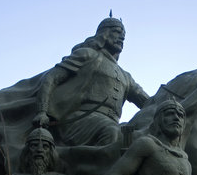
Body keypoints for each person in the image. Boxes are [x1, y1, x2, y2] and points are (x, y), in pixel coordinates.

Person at [32, 16, 149, 146]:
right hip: (79, 120)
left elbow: (148, 102)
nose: (122, 38)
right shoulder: (87, 55)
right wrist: (41, 111)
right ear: (104, 33)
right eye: (117, 32)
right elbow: (51, 78)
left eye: (124, 35)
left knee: (137, 137)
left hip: (111, 123)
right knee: (113, 132)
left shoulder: (126, 76)